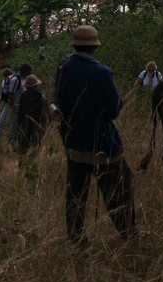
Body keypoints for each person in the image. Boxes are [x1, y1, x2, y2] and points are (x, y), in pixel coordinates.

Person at [53, 25, 136, 244]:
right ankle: (128, 233)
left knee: (76, 195)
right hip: (102, 145)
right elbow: (113, 110)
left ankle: (77, 239)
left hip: (73, 143)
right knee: (120, 190)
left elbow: (58, 98)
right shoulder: (102, 72)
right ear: (95, 47)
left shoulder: (64, 66)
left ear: (75, 44)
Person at [15, 74, 48, 153]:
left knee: (34, 150)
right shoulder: (24, 95)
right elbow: (20, 112)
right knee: (22, 150)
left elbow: (44, 118)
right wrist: (19, 127)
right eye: (28, 87)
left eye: (32, 87)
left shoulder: (41, 99)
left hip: (35, 129)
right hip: (24, 127)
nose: (29, 89)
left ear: (36, 87)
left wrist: (41, 131)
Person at [6, 62, 31, 146]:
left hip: (21, 107)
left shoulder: (22, 78)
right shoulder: (15, 79)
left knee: (19, 126)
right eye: (29, 71)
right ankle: (12, 144)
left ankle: (18, 142)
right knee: (14, 126)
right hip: (15, 107)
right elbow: (11, 94)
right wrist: (14, 107)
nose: (30, 74)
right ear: (25, 71)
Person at [0, 67, 14, 139]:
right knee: (0, 123)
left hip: (11, 106)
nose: (4, 78)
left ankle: (12, 141)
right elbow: (3, 92)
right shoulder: (3, 82)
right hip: (6, 106)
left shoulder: (13, 82)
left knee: (12, 124)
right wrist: (0, 98)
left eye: (6, 76)